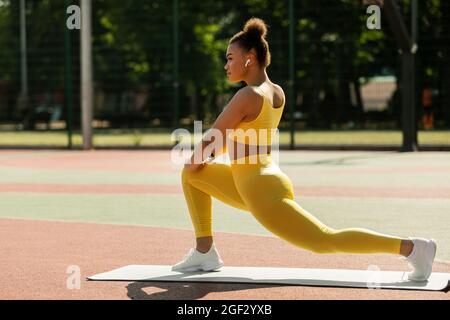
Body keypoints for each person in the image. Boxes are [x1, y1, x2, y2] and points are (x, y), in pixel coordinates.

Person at [172, 18, 437, 281]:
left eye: (230, 58)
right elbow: (239, 138)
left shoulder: (248, 95)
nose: (226, 65)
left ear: (250, 58)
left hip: (259, 190)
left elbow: (213, 138)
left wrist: (193, 159)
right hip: (257, 179)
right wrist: (200, 162)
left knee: (324, 240)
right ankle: (204, 251)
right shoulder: (276, 92)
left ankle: (413, 248)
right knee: (193, 177)